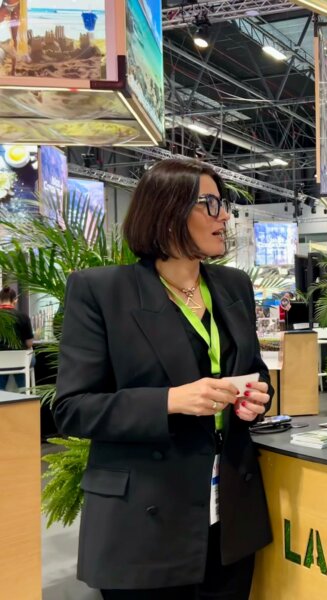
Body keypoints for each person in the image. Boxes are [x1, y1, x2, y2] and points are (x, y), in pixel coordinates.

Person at [52, 159, 274, 599]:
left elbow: (253, 368)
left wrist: (258, 397)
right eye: (210, 204)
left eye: (222, 203)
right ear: (168, 210)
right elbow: (72, 408)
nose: (224, 216)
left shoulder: (234, 286)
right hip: (145, 523)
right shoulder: (101, 292)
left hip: (227, 515)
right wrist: (170, 401)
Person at [0, 285, 34, 390]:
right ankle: (24, 391)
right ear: (15, 300)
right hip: (20, 362)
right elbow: (29, 344)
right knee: (28, 359)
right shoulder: (23, 317)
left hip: (0, 362)